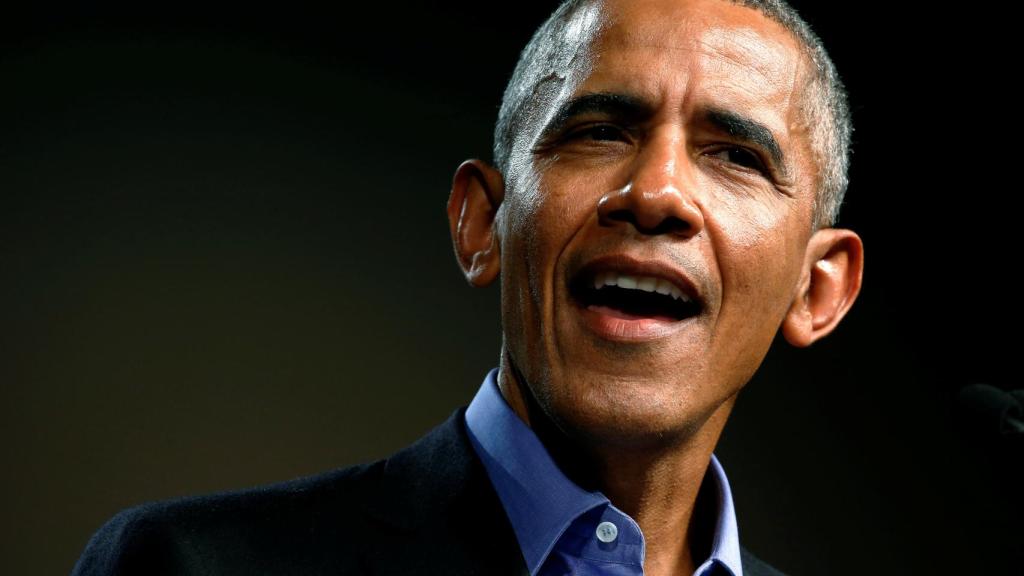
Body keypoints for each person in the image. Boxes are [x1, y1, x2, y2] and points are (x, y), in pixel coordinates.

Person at [71, 0, 863, 574]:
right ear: (482, 224)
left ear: (816, 290)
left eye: (735, 156)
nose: (655, 193)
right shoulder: (183, 564)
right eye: (599, 131)